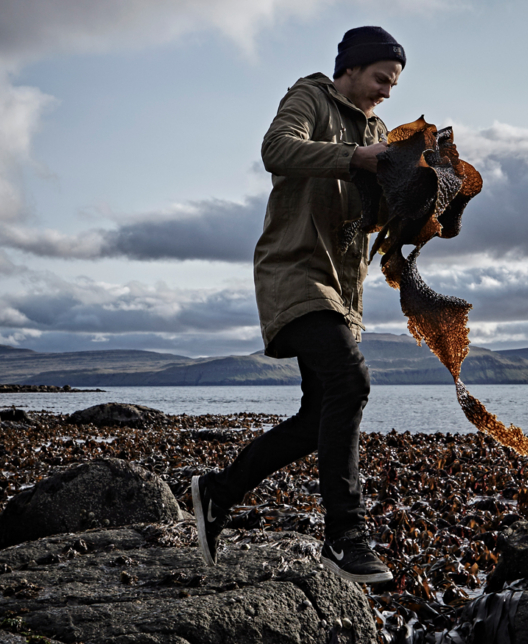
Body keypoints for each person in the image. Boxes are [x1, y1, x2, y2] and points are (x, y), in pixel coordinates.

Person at [192, 26, 405, 584]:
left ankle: (217, 492)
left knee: (319, 418)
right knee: (350, 383)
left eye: (394, 83)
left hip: (345, 288)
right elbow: (276, 150)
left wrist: (416, 193)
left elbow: (372, 215)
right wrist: (357, 157)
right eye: (381, 78)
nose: (387, 91)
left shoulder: (379, 131)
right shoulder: (310, 96)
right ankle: (345, 536)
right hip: (295, 271)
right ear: (351, 68)